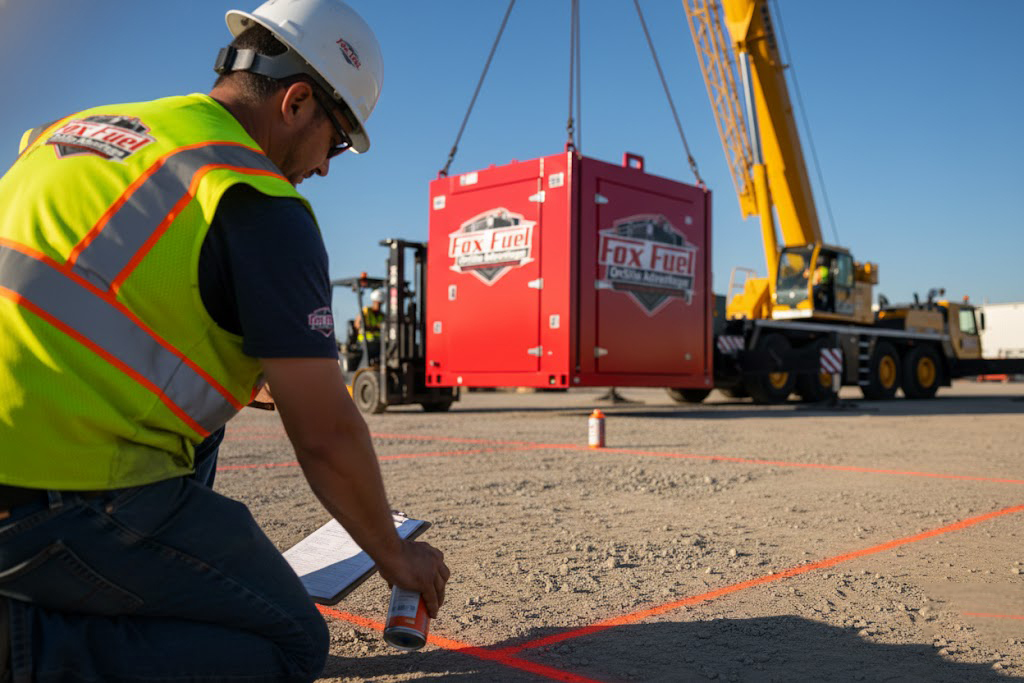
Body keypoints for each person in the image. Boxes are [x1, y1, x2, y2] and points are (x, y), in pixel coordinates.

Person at [0, 1, 449, 681]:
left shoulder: (81, 129)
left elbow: (81, 294)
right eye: (335, 143)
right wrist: (395, 554)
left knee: (204, 433)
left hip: (24, 453)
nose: (326, 169)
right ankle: (25, 646)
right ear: (297, 102)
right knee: (289, 644)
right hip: (44, 498)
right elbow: (326, 433)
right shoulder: (255, 197)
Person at [354, 288, 385, 362]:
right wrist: (373, 328)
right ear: (373, 301)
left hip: (378, 341)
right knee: (375, 348)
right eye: (378, 303)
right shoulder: (366, 311)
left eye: (381, 303)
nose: (379, 305)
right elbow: (357, 325)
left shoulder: (382, 315)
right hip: (364, 341)